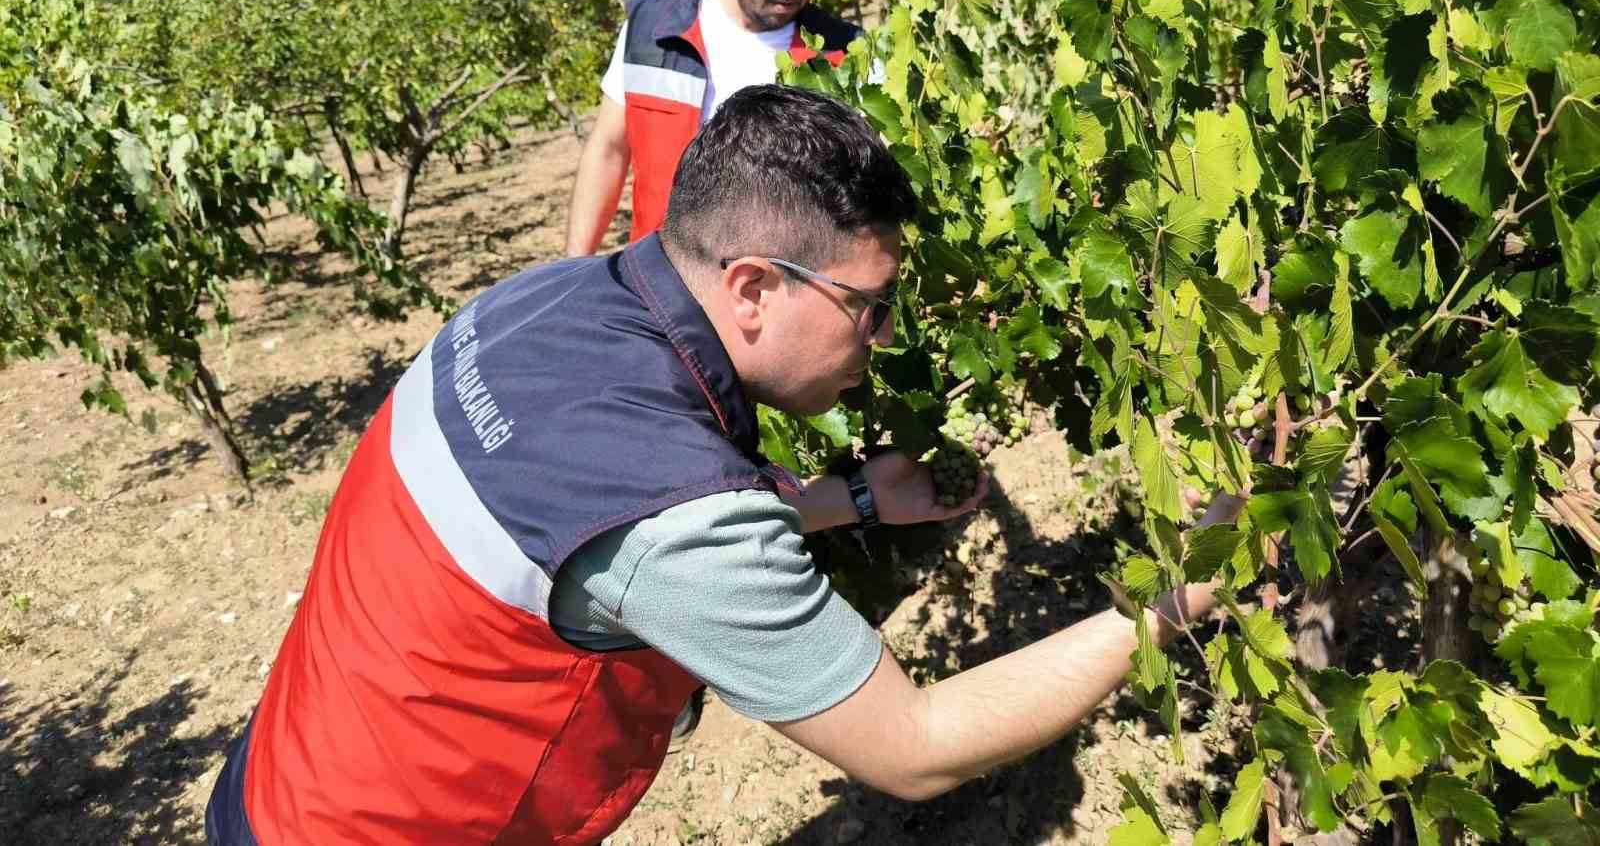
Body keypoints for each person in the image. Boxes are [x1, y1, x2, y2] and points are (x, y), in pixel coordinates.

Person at [206, 86, 1240, 846]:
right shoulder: (675, 516)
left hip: (281, 785)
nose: (881, 338)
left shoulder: (530, 305)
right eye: (867, 307)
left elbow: (601, 535)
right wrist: (1171, 598)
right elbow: (914, 745)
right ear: (751, 287)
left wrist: (849, 501)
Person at [563, 0, 861, 257]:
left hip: (779, 299)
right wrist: (570, 270)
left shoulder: (841, 53)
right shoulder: (652, 30)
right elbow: (608, 150)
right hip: (659, 284)